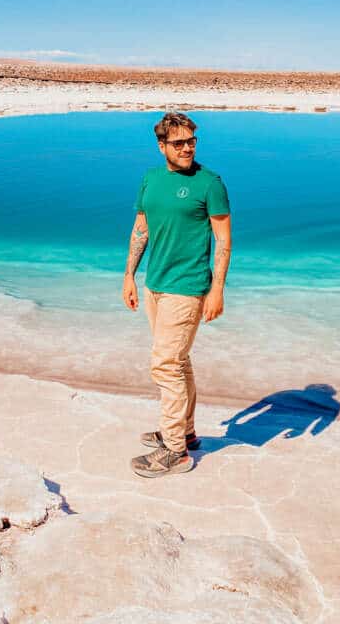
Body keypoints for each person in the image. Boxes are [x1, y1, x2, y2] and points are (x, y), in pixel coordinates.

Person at [122, 111, 231, 478]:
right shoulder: (150, 179)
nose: (187, 149)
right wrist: (129, 276)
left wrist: (217, 290)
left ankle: (176, 452)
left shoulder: (209, 183)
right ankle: (184, 432)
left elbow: (223, 241)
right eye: (179, 143)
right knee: (178, 362)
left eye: (192, 142)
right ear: (162, 146)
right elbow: (141, 229)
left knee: (164, 365)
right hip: (156, 285)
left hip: (188, 288)